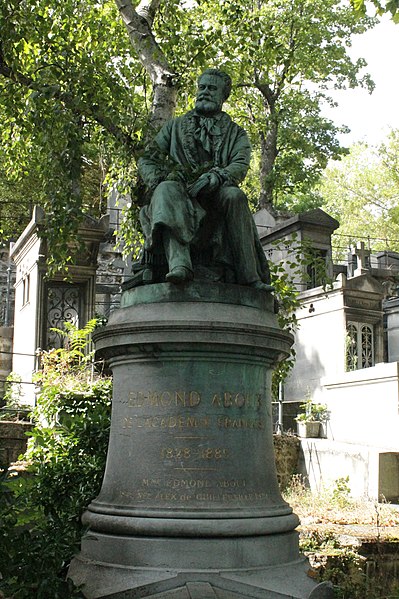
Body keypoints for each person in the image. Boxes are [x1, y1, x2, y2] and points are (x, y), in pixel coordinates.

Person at [137, 68, 273, 291]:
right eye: (202, 88)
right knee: (166, 189)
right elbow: (148, 159)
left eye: (212, 88)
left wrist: (218, 177)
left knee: (234, 195)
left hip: (215, 202)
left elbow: (240, 164)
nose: (205, 92)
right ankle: (180, 264)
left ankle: (249, 276)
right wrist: (161, 177)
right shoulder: (174, 127)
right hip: (179, 196)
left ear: (223, 95)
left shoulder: (236, 133)